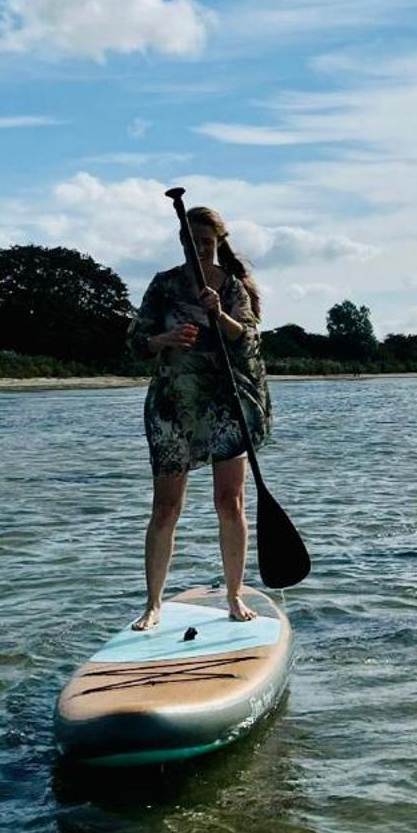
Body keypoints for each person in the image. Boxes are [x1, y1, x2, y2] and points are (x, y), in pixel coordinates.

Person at [128, 205, 272, 628]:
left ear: (218, 243)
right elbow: (136, 342)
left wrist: (219, 314)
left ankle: (233, 595)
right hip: (174, 403)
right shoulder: (165, 285)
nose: (201, 249)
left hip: (226, 403)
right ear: (183, 242)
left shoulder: (230, 287)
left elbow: (248, 342)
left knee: (230, 502)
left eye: (208, 242)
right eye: (193, 242)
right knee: (167, 507)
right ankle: (153, 604)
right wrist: (165, 338)